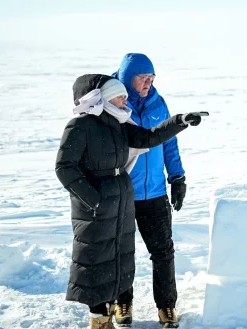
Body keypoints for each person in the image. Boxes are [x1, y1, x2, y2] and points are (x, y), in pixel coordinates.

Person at [55, 74, 205, 329]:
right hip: (96, 204)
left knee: (117, 256)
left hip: (120, 198)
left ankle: (111, 310)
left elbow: (149, 138)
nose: (125, 99)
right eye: (119, 95)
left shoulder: (119, 123)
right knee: (95, 256)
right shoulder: (80, 126)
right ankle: (99, 319)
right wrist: (94, 199)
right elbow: (64, 167)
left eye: (124, 94)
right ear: (101, 98)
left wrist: (179, 121)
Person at [111, 53, 188, 328]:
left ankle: (166, 306)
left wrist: (177, 177)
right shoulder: (114, 103)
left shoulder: (158, 102)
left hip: (155, 193)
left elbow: (169, 143)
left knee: (163, 252)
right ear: (127, 77)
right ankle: (122, 303)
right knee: (122, 252)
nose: (148, 82)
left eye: (152, 78)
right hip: (122, 192)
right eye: (143, 77)